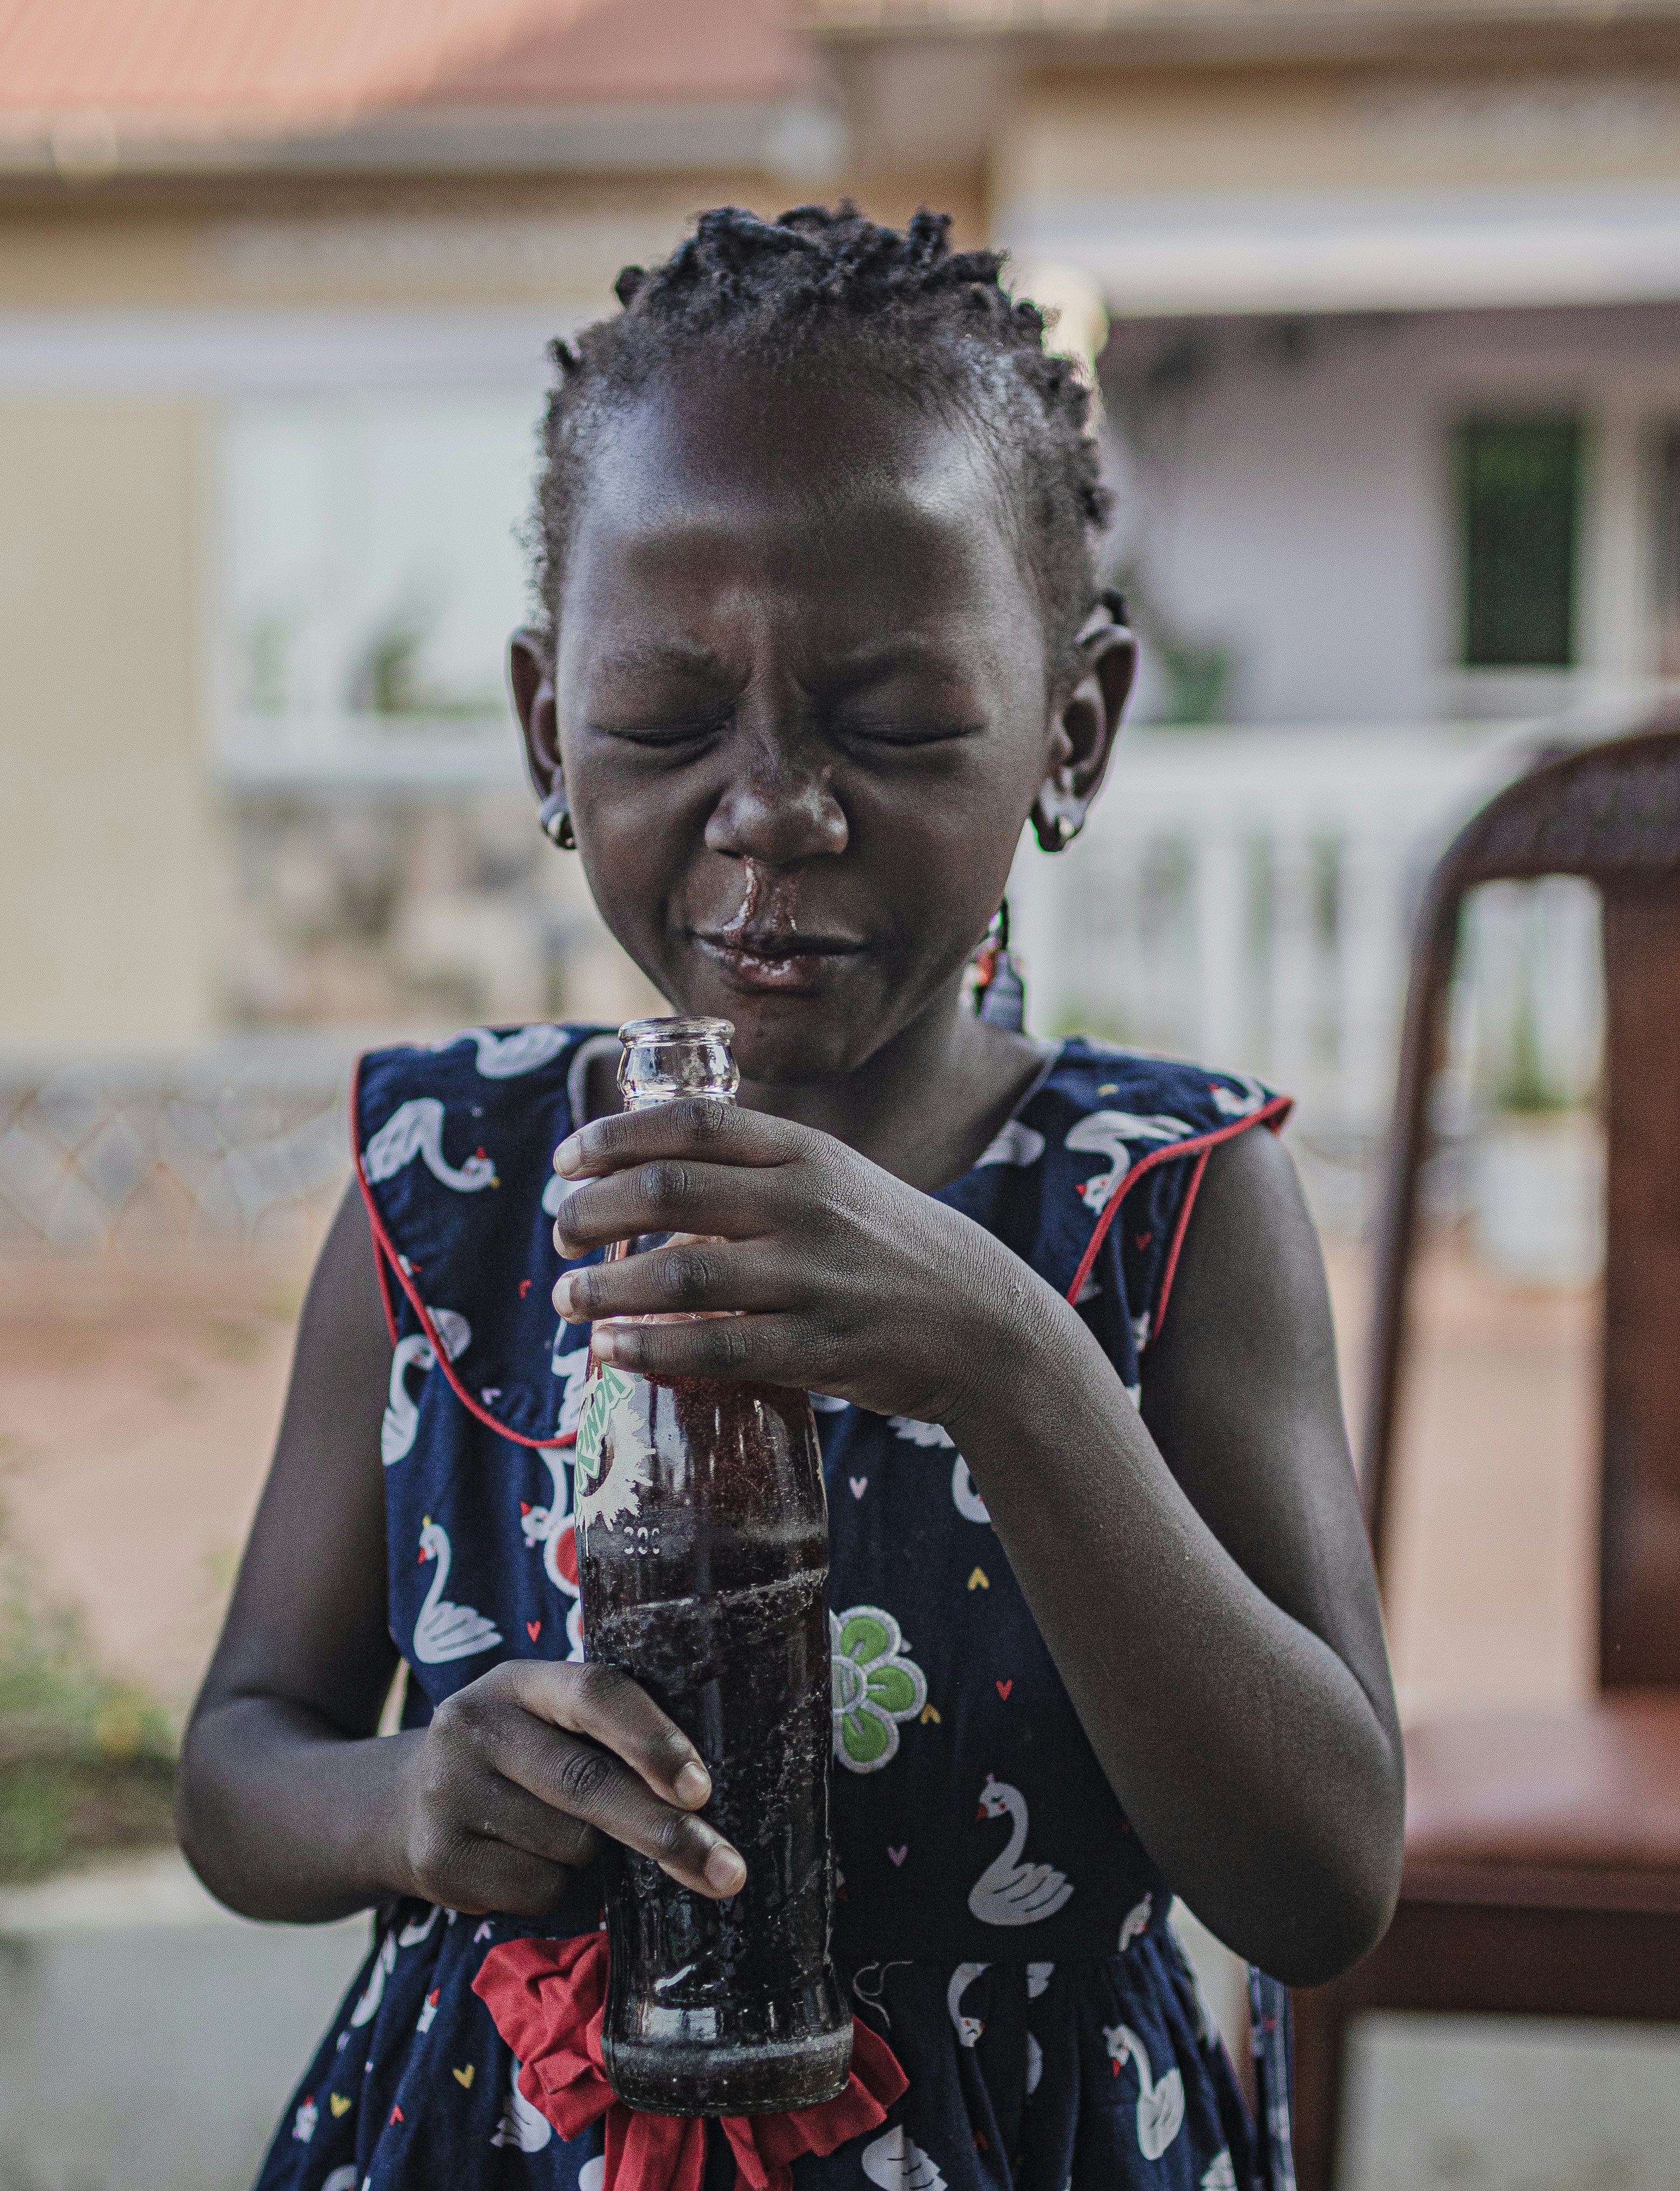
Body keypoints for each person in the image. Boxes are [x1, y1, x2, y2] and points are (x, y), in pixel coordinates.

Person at [179, 204, 1403, 2191]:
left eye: (894, 722)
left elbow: (1324, 1875)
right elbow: (241, 1760)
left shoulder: (1164, 1204)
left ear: (1072, 730)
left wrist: (1013, 1356)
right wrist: (406, 1800)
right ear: (544, 728)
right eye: (666, 722)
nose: (773, 806)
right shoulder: (453, 1188)